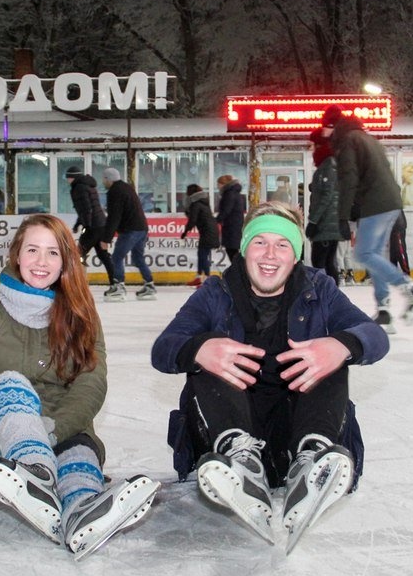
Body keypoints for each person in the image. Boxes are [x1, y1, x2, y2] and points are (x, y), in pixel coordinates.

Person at [151, 202, 390, 553]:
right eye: (259, 242)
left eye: (282, 245)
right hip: (229, 437)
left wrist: (341, 345)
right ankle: (242, 463)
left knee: (330, 352)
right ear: (244, 249)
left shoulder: (318, 289)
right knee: (210, 350)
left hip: (296, 431)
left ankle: (312, 460)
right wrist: (199, 350)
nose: (270, 254)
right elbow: (163, 348)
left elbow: (374, 336)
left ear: (295, 256)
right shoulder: (216, 293)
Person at [0, 214, 159, 558]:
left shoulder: (80, 312)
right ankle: (33, 473)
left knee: (77, 461)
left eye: (53, 253)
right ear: (17, 254)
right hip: (2, 438)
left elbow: (92, 380)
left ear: (65, 262)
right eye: (32, 250)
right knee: (9, 382)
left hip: (62, 426)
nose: (41, 262)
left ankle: (82, 511)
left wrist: (55, 431)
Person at [325, 106, 413, 333]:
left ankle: (411, 289)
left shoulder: (347, 142)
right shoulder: (366, 138)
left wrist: (343, 217)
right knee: (373, 254)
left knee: (363, 253)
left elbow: (348, 180)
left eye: (326, 128)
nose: (324, 134)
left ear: (333, 127)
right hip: (390, 202)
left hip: (376, 204)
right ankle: (384, 310)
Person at [99, 167, 156, 302]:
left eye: (104, 179)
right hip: (142, 228)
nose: (103, 182)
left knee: (117, 257)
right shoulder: (126, 187)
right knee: (138, 258)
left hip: (131, 230)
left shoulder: (114, 192)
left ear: (108, 179)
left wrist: (106, 239)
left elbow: (114, 217)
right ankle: (149, 285)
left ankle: (119, 287)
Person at [64, 165, 116, 286]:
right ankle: (115, 281)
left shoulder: (78, 188)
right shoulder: (88, 186)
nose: (67, 180)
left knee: (77, 254)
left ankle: (77, 283)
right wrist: (78, 223)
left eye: (69, 177)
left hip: (93, 227)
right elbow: (85, 209)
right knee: (103, 255)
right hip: (101, 225)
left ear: (73, 178)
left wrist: (86, 225)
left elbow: (87, 209)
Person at [306, 128, 342, 284]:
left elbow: (327, 197)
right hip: (330, 224)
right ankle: (331, 298)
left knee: (320, 262)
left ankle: (329, 298)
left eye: (313, 145)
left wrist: (313, 222)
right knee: (326, 263)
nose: (312, 149)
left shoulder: (327, 166)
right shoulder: (329, 165)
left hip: (326, 225)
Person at [181, 183, 220, 287]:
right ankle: (199, 277)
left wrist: (185, 232)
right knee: (201, 254)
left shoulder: (196, 204)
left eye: (187, 192)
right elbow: (196, 217)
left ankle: (206, 279)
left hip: (208, 232)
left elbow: (192, 220)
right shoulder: (202, 203)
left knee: (203, 256)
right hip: (209, 231)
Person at [216, 174, 245, 262]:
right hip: (235, 225)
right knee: (233, 251)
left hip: (231, 227)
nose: (217, 186)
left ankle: (237, 272)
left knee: (232, 251)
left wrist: (216, 220)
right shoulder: (235, 193)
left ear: (223, 184)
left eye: (218, 184)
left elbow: (226, 210)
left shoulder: (229, 194)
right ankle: (238, 271)